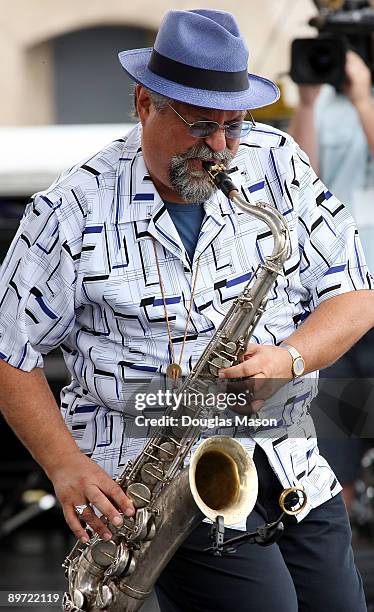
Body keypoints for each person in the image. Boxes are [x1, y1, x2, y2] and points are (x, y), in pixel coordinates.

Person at [0, 8, 373, 612]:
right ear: (145, 103)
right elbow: (7, 352)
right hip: (160, 490)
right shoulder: (68, 211)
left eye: (235, 125)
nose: (222, 148)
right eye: (203, 127)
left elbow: (357, 295)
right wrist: (64, 465)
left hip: (293, 466)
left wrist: (291, 357)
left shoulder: (275, 160)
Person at [288, 48, 374, 513]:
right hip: (336, 301)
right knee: (332, 460)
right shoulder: (322, 104)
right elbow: (299, 178)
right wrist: (304, 104)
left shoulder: (362, 99)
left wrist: (364, 100)